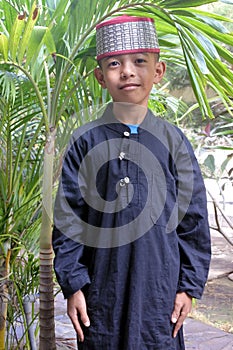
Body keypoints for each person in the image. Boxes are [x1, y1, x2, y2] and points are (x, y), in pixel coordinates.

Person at [52, 15, 211, 350]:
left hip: (160, 295)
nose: (127, 71)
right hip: (101, 295)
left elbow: (193, 221)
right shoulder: (85, 142)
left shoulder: (173, 141)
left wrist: (187, 287)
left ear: (158, 71)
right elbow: (69, 222)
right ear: (100, 76)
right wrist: (74, 285)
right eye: (114, 63)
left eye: (140, 61)